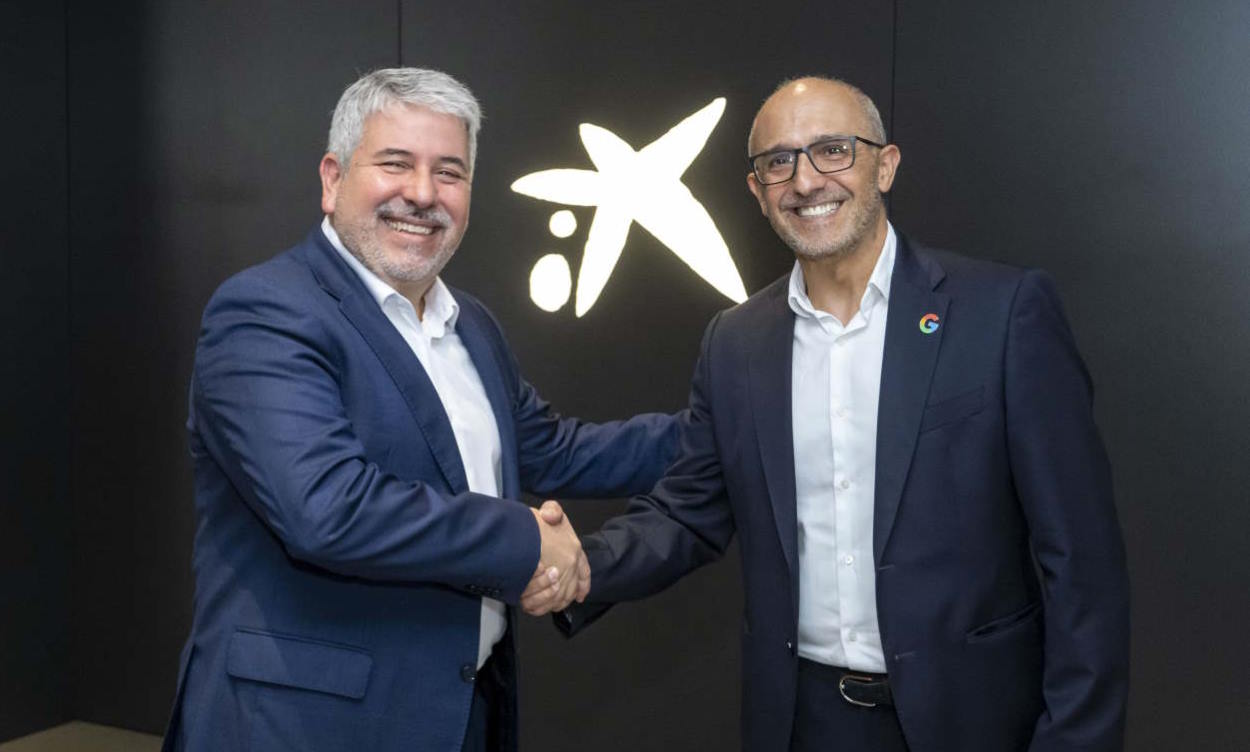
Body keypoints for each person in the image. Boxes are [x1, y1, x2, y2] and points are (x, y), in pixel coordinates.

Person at [543, 77, 1130, 751]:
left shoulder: (1002, 314)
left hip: (976, 718)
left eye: (832, 151)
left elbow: (1082, 564)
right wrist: (579, 567)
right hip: (803, 721)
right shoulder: (736, 342)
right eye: (778, 162)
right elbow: (687, 513)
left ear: (884, 164)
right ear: (758, 192)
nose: (805, 180)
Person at [162, 67, 679, 752]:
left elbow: (552, 448)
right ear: (332, 178)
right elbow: (328, 507)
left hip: (460, 711)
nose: (422, 194)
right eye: (395, 164)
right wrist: (525, 542)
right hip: (306, 727)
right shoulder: (266, 312)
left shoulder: (472, 325)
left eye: (450, 172)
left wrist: (727, 427)